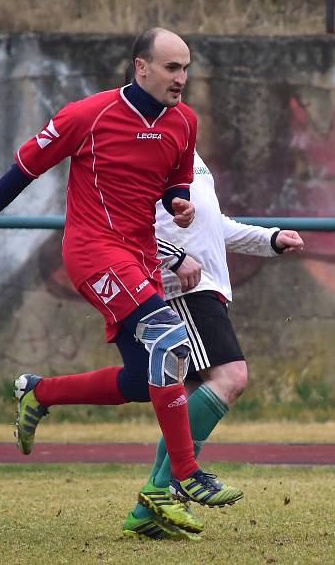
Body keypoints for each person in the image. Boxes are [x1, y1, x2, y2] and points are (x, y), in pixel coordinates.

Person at [0, 27, 235, 535]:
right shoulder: (87, 115)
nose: (181, 78)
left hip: (140, 259)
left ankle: (40, 393)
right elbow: (22, 170)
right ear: (141, 67)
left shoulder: (184, 122)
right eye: (171, 68)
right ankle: (182, 476)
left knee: (147, 379)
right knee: (170, 339)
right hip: (93, 253)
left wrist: (178, 204)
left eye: (185, 68)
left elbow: (173, 184)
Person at [123, 148, 304, 540]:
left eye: (183, 81)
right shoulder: (139, 145)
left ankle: (147, 509)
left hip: (207, 288)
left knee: (189, 397)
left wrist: (268, 239)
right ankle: (161, 490)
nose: (180, 83)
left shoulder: (186, 148)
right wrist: (173, 259)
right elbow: (125, 226)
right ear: (141, 81)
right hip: (186, 289)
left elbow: (211, 224)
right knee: (232, 377)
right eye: (173, 81)